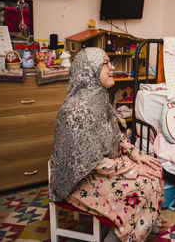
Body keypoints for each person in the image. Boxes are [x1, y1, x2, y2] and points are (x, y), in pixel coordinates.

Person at [49, 47, 164, 241]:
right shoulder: (75, 112)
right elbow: (92, 162)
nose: (113, 68)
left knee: (154, 168)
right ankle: (122, 235)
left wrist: (136, 155)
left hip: (106, 166)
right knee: (143, 184)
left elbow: (114, 134)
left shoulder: (99, 100)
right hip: (80, 179)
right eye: (106, 63)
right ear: (90, 71)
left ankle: (144, 221)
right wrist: (131, 169)